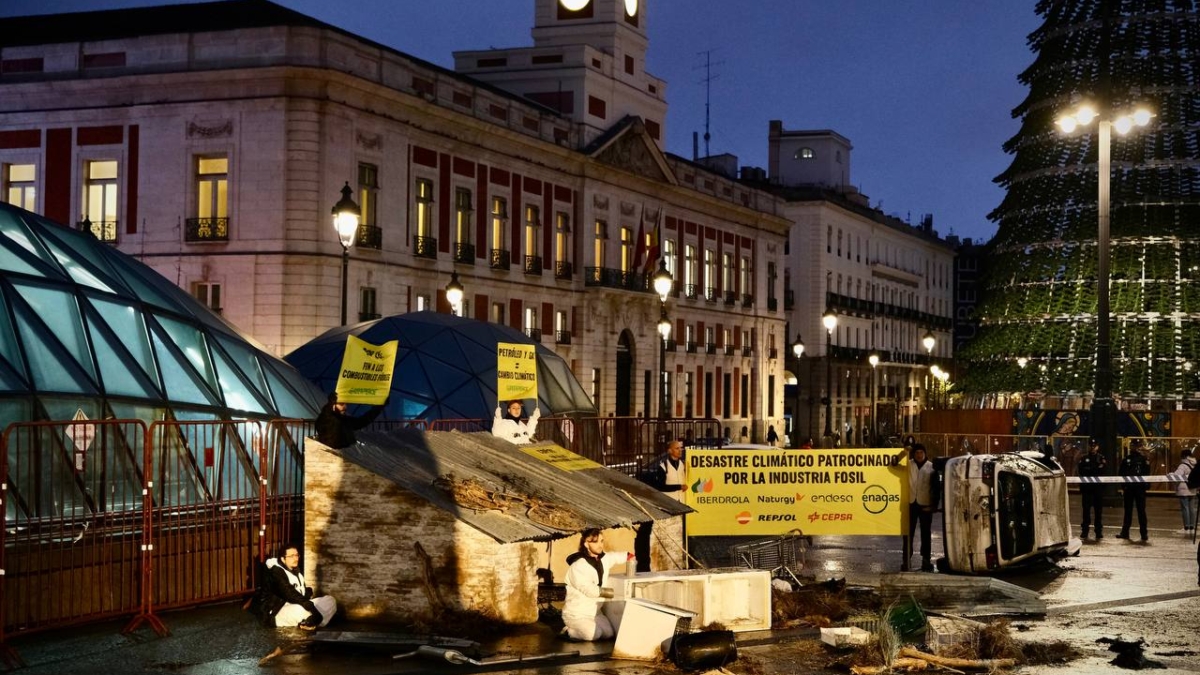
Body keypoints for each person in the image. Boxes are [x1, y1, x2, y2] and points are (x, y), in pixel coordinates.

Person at [562, 528, 630, 641]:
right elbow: (590, 590)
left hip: (595, 613)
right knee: (594, 635)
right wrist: (617, 593)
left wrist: (630, 556)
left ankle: (587, 628)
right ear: (586, 544)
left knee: (609, 634)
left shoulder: (604, 559)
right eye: (595, 542)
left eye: (601, 541)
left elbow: (616, 556)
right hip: (576, 614)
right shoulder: (578, 566)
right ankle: (569, 632)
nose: (600, 545)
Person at [253, 545, 337, 630]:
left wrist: (308, 593)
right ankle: (312, 621)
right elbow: (289, 593)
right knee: (304, 609)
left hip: (296, 605)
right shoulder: (276, 572)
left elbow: (300, 592)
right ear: (283, 559)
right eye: (291, 556)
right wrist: (312, 608)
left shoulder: (295, 570)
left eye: (296, 555)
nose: (295, 558)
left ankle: (311, 622)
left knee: (330, 600)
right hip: (277, 612)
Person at [905, 443, 938, 572]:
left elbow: (936, 488)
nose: (919, 455)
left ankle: (926, 560)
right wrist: (903, 452)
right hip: (910, 504)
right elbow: (893, 464)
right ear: (913, 454)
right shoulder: (908, 464)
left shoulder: (931, 467)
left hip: (925, 505)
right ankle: (906, 560)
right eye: (916, 452)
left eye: (921, 453)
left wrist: (933, 506)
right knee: (908, 534)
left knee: (925, 534)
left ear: (925, 454)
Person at [315, 392, 386, 448]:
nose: (345, 407)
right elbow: (327, 418)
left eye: (346, 404)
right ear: (333, 405)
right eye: (341, 404)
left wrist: (379, 407)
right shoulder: (328, 419)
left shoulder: (343, 419)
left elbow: (362, 421)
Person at [1117, 439, 1151, 542]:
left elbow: (1147, 473)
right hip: (1129, 489)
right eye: (1133, 445)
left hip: (1139, 489)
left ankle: (1144, 534)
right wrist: (1124, 486)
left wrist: (1146, 486)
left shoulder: (1143, 459)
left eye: (1137, 445)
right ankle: (1125, 532)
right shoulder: (1126, 459)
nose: (1135, 447)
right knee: (1128, 511)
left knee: (1141, 511)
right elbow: (1121, 473)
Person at [1078, 438, 1107, 540]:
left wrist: (1090, 469)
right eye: (1091, 445)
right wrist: (1094, 469)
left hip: (1097, 489)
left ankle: (1098, 531)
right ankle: (1085, 531)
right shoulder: (1083, 458)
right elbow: (1081, 471)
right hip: (1087, 489)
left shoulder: (1101, 458)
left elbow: (1102, 471)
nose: (1092, 447)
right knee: (1086, 511)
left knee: (1098, 511)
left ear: (1097, 447)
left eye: (1094, 446)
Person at [1173, 448, 1196, 533]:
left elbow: (1176, 475)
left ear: (1183, 456)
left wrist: (1170, 474)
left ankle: (1186, 527)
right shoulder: (1194, 464)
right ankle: (1192, 527)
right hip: (1192, 488)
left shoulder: (1182, 465)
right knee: (1192, 508)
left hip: (1183, 489)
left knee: (1185, 508)